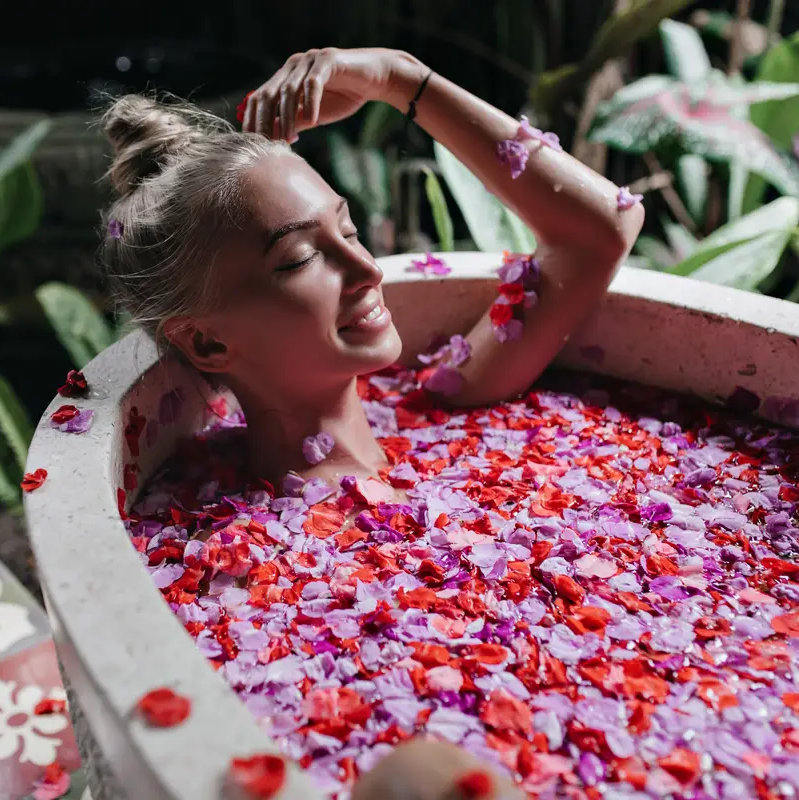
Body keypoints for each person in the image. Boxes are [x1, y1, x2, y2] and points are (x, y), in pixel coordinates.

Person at [100, 47, 642, 799]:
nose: (366, 270)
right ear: (207, 341)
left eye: (348, 230)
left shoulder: (447, 400)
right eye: (298, 259)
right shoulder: (223, 571)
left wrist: (399, 80)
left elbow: (604, 228)